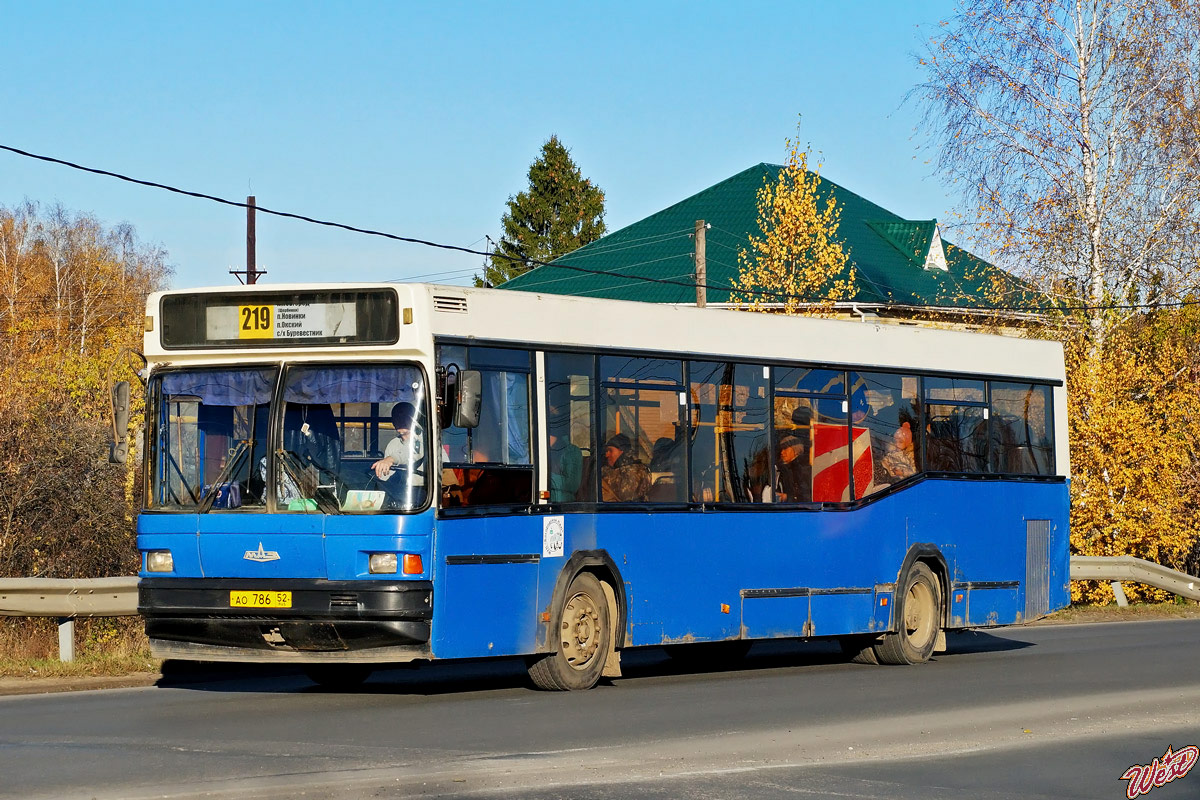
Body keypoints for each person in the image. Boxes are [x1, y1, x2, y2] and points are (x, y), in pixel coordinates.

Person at [372, 402, 424, 487]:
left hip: (423, 491)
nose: (405, 438)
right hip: (397, 490)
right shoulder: (393, 444)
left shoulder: (425, 441)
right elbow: (386, 477)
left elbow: (411, 453)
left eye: (407, 433)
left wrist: (391, 459)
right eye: (401, 433)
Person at [600, 433, 650, 502]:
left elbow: (626, 495)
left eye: (610, 451)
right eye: (606, 451)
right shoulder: (614, 470)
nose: (607, 455)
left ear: (621, 451)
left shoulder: (635, 471)